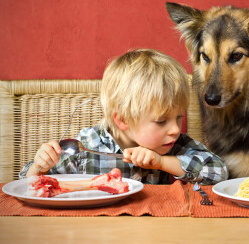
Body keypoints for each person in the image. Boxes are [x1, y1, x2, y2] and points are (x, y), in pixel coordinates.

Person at [19, 49, 228, 185]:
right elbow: (28, 184)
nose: (175, 129)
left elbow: (219, 171)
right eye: (161, 121)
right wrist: (40, 166)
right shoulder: (86, 148)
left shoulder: (176, 145)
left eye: (178, 118)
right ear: (122, 120)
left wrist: (162, 162)